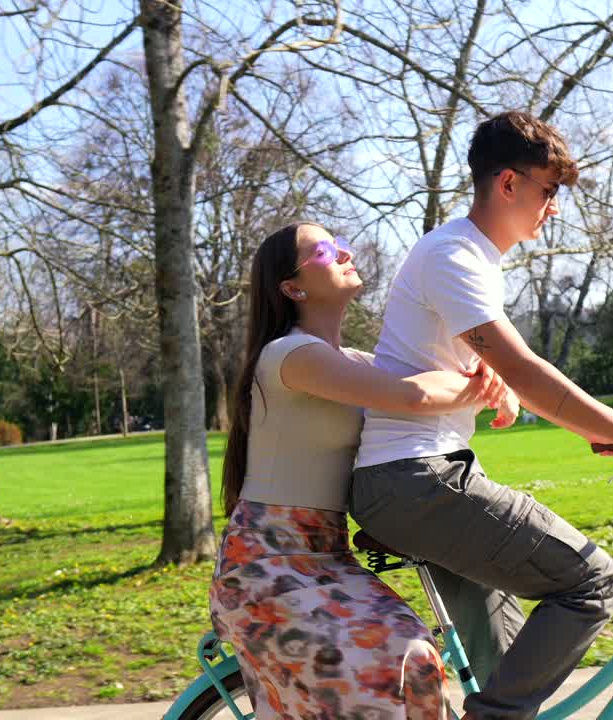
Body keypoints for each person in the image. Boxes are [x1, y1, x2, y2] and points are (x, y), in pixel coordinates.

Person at [350, 111, 613, 720]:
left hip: (416, 481)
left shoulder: (473, 260)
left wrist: (592, 430)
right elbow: (526, 371)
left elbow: (504, 377)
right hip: (416, 480)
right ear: (508, 183)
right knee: (592, 582)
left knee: (498, 658)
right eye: (548, 189)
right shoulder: (453, 255)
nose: (554, 206)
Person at [210, 221, 510, 719]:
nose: (344, 251)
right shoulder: (290, 354)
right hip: (268, 567)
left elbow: (428, 387)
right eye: (326, 250)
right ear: (293, 287)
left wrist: (496, 384)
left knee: (416, 661)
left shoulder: (349, 361)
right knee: (392, 660)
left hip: (328, 555)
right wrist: (488, 386)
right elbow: (413, 395)